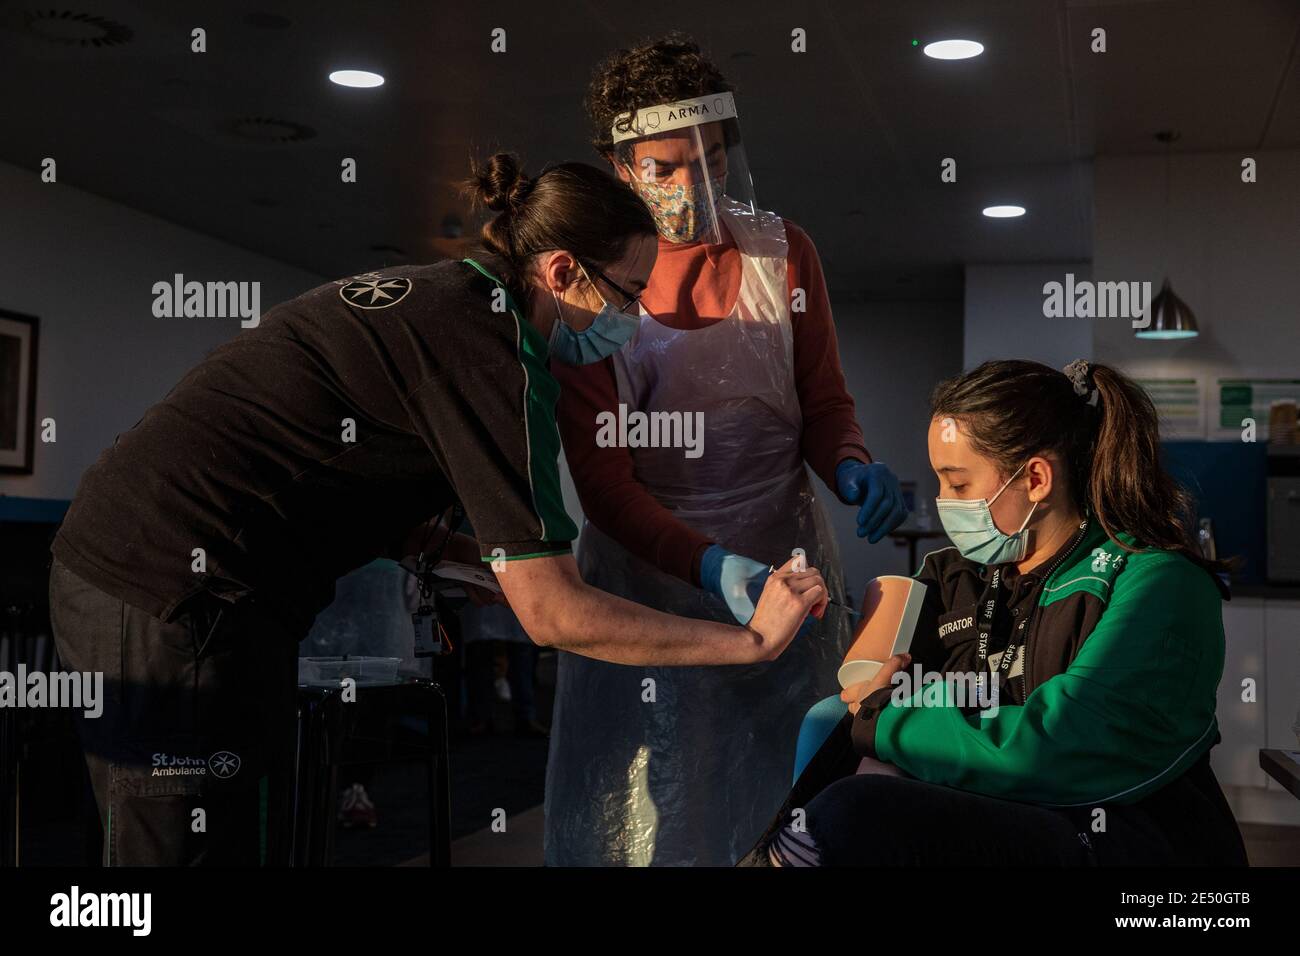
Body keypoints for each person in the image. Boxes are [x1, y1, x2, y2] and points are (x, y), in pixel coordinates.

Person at [47, 153, 828, 866]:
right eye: (628, 295)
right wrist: (750, 643)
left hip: (145, 573)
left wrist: (466, 559)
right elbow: (554, 617)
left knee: (224, 828)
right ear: (561, 271)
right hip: (170, 589)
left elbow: (340, 471)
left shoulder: (450, 302)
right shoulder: (495, 352)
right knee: (188, 845)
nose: (630, 326)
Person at [544, 33, 907, 867]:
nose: (692, 186)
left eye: (710, 159)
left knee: (783, 785)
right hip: (647, 580)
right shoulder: (596, 288)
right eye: (665, 167)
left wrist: (850, 464)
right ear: (620, 163)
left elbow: (820, 401)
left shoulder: (784, 253)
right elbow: (604, 484)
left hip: (785, 566)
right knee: (651, 803)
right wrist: (711, 571)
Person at [740, 359, 1248, 867]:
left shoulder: (1157, 582)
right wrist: (813, 610)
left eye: (958, 485)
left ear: (1035, 477)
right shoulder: (956, 576)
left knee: (849, 815)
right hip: (1011, 805)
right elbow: (863, 688)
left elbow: (1057, 748)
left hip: (1123, 831)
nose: (943, 503)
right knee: (835, 779)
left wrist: (889, 720)